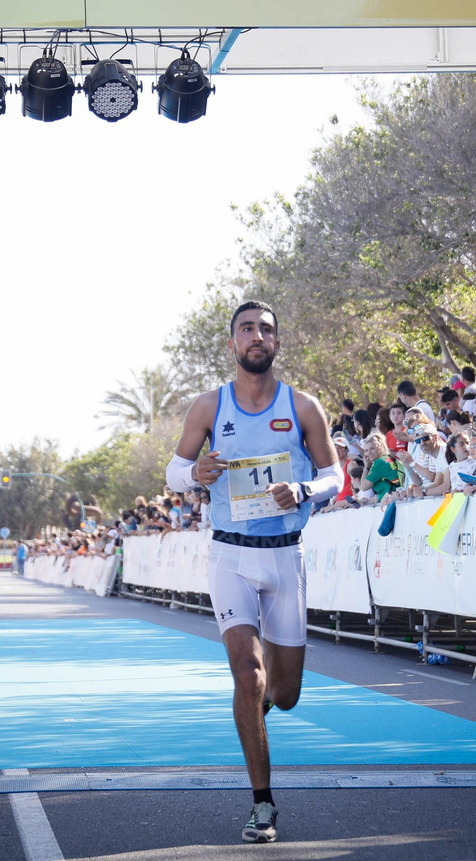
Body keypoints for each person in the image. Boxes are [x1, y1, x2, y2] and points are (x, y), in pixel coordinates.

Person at [167, 301, 342, 844]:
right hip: (231, 555)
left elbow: (335, 475)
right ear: (233, 344)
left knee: (284, 694)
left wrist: (305, 489)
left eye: (266, 329)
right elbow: (174, 471)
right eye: (247, 329)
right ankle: (262, 804)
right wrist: (194, 472)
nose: (257, 336)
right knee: (247, 674)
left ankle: (263, 702)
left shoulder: (303, 406)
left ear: (277, 343)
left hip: (286, 555)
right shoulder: (209, 405)